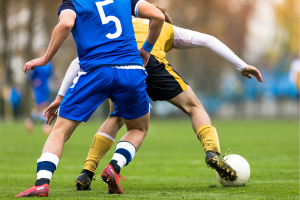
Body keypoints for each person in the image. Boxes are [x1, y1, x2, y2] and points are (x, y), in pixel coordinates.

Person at [44, 3, 263, 192]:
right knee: (194, 107)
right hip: (151, 65)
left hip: (122, 68)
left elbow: (78, 61)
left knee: (116, 117)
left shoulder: (121, 25)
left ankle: (87, 171)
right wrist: (241, 66)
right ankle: (212, 151)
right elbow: (208, 39)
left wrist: (60, 96)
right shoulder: (167, 27)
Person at [15, 0, 164, 197]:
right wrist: (146, 48)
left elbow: (66, 24)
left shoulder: (73, 2)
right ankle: (114, 165)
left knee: (59, 131)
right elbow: (158, 16)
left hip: (96, 72)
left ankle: (42, 182)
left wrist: (46, 59)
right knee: (138, 128)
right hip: (131, 70)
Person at [24, 49, 53, 135]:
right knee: (40, 105)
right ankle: (44, 124)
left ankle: (31, 121)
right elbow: (30, 74)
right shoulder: (36, 63)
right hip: (38, 87)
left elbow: (50, 73)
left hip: (45, 86)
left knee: (43, 105)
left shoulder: (49, 64)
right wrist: (34, 80)